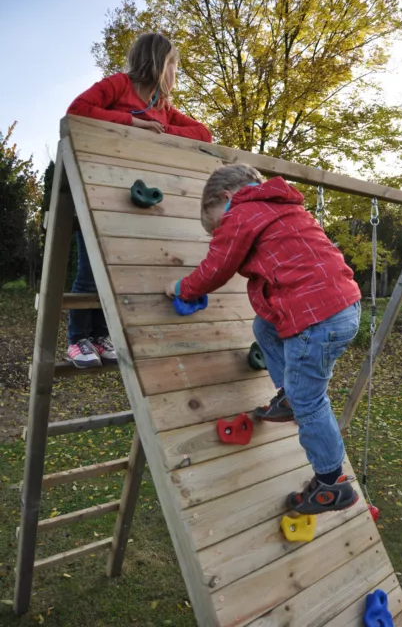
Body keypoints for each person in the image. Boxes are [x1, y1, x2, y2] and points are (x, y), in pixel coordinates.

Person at [165, 164, 362, 515]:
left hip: (315, 317)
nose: (218, 233)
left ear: (227, 197)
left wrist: (182, 288)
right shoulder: (283, 207)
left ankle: (332, 485)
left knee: (311, 402)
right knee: (264, 328)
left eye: (215, 224)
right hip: (339, 307)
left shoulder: (242, 212)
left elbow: (217, 267)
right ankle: (287, 396)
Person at [66, 32, 212, 368]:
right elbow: (77, 111)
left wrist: (156, 130)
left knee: (117, 272)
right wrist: (130, 122)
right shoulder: (118, 85)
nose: (177, 72)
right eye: (175, 64)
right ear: (159, 63)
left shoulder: (162, 107)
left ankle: (101, 335)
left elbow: (203, 133)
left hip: (136, 199)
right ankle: (78, 340)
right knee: (90, 270)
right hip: (98, 189)